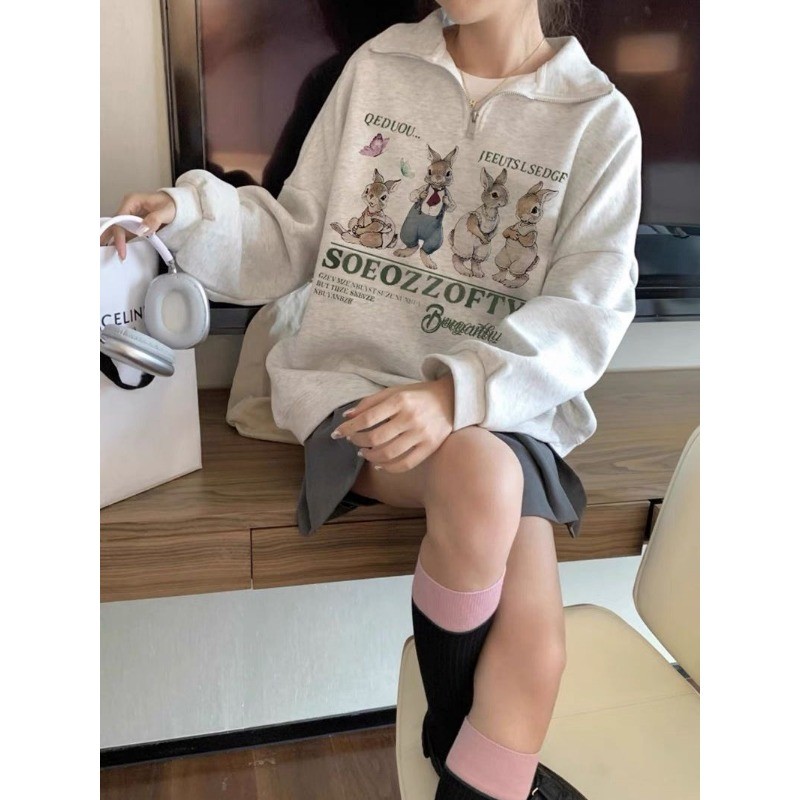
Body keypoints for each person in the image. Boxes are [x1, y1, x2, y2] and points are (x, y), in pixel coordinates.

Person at [102, 2, 641, 797]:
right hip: (357, 385)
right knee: (484, 484)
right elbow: (297, 235)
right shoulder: (381, 67)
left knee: (540, 651)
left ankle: (470, 772)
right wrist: (192, 213)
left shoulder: (596, 117)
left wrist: (454, 394)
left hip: (502, 401)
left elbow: (587, 312)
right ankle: (460, 745)